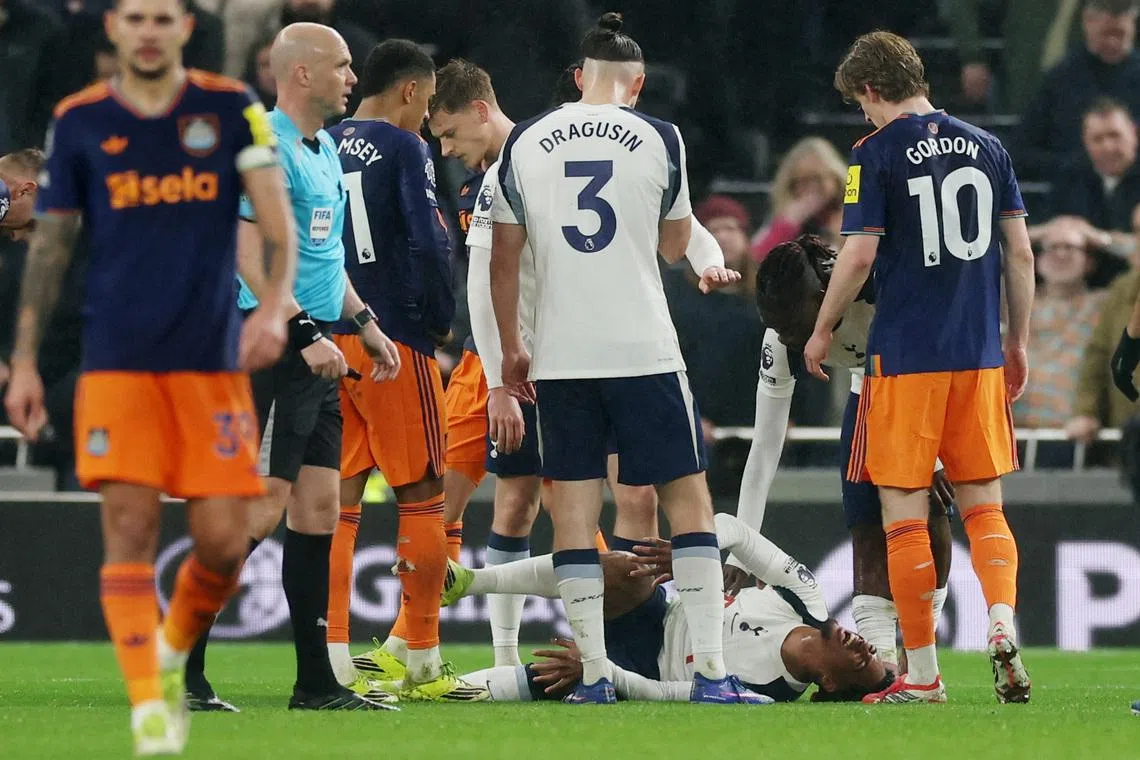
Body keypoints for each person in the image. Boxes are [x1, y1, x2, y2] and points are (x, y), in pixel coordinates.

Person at [4, 0, 293, 751]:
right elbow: (50, 249)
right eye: (135, 17)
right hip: (118, 365)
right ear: (114, 29)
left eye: (163, 17)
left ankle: (168, 649)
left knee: (226, 544)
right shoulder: (78, 121)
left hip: (210, 364)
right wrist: (28, 357)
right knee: (129, 532)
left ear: (184, 29)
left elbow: (274, 218)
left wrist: (272, 308)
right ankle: (151, 705)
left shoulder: (232, 109)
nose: (149, 30)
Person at [490, 13, 759, 704]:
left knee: (573, 518)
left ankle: (598, 676)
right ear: (636, 83)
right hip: (642, 348)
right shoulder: (659, 136)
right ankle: (712, 674)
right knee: (688, 506)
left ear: (578, 78)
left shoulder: (525, 140)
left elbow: (504, 257)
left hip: (561, 355)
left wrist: (511, 349)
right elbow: (675, 244)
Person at [427, 58, 684, 670]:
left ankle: (626, 642)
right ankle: (493, 652)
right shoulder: (481, 182)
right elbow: (481, 287)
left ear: (480, 110)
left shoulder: (536, 159)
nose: (446, 150)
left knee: (622, 498)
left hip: (567, 360)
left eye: (449, 134)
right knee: (510, 499)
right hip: (506, 364)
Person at [804, 31, 1035, 704]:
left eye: (861, 105)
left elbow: (857, 254)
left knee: (902, 514)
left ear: (871, 91)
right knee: (984, 508)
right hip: (978, 354)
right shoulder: (990, 147)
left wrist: (821, 329)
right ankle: (999, 620)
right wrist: (1016, 341)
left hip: (904, 358)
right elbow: (1019, 255)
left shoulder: (872, 155)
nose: (864, 118)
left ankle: (925, 676)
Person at [187, 21, 401, 713]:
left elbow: (319, 262)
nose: (352, 78)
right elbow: (246, 255)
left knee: (314, 511)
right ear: (302, 73)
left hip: (319, 351)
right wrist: (303, 329)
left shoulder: (321, 151)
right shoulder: (266, 146)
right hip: (275, 348)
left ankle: (315, 683)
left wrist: (365, 323)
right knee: (261, 508)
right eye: (341, 66)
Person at [322, 39, 488, 702]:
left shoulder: (319, 143)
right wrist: (439, 319)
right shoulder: (404, 147)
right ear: (413, 92)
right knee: (423, 495)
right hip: (392, 340)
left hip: (330, 341)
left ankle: (332, 656)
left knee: (337, 507)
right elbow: (430, 237)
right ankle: (422, 658)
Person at [750, 234, 954, 672]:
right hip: (870, 387)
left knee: (933, 514)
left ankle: (921, 646)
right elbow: (765, 446)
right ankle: (881, 662)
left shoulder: (882, 284)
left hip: (932, 379)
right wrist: (741, 549)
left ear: (826, 295)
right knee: (865, 526)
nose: (787, 334)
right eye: (777, 324)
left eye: (793, 322)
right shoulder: (781, 339)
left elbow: (936, 351)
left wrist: (930, 453)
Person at [447, 513, 890, 704]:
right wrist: (690, 552)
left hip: (644, 669)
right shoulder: (804, 598)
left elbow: (662, 694)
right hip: (659, 612)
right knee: (626, 568)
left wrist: (598, 669)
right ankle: (468, 583)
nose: (863, 645)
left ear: (829, 682)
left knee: (553, 677)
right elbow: (734, 529)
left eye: (861, 660)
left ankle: (428, 690)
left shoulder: (767, 692)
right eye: (871, 649)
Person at [1018, 0, 1140, 179]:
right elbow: (1023, 152)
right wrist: (1077, 167)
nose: (1112, 42)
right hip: (1073, 190)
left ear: (1133, 26)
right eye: (1106, 33)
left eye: (1120, 34)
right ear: (1087, 22)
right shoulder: (1060, 79)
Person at [1016, 220, 1107, 433]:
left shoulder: (1106, 303)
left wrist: (1099, 237)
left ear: (1089, 262)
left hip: (1074, 435)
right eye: (1052, 247)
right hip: (1011, 433)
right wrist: (1031, 235)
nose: (1061, 255)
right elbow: (974, 259)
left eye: (1071, 248)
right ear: (1037, 259)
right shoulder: (1011, 302)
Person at [750, 137, 847, 263]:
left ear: (835, 178)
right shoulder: (784, 218)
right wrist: (788, 224)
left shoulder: (852, 211)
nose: (812, 188)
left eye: (817, 179)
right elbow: (754, 260)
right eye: (803, 181)